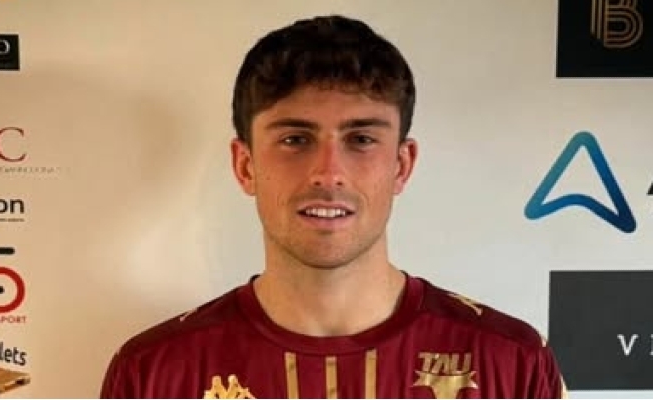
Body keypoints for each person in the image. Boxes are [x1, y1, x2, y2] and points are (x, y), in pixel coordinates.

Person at [100, 14, 566, 399]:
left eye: (360, 139)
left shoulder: (511, 363)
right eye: (295, 139)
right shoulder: (153, 374)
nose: (327, 173)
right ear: (245, 166)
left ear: (402, 165)